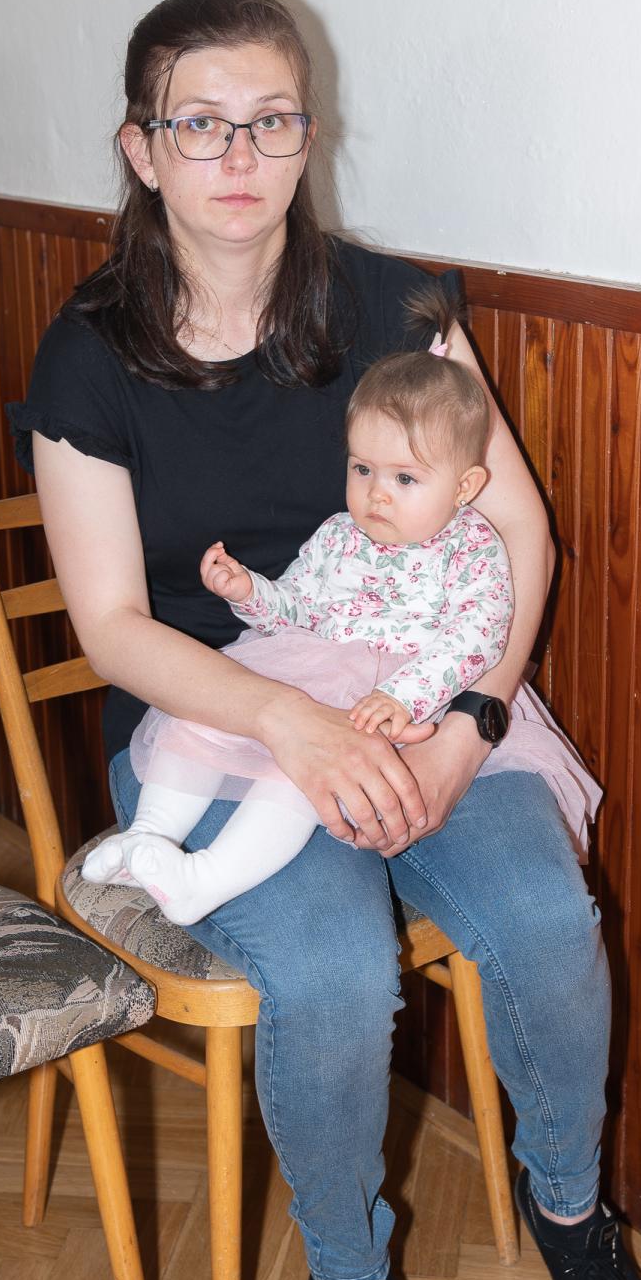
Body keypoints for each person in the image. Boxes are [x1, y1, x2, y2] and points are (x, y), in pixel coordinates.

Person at [8, 0, 641, 1280]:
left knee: (546, 916)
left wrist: (470, 727)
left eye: (272, 120)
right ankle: (352, 1279)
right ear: (141, 149)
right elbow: (112, 626)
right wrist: (287, 723)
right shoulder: (88, 353)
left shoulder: (390, 303)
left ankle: (572, 1213)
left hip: (426, 689)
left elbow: (520, 530)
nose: (240, 154)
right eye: (201, 124)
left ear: (311, 135)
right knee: (332, 970)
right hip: (214, 721)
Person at [80, 281, 514, 924]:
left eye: (405, 478)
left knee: (298, 779)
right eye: (362, 469)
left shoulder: (472, 547)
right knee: (194, 721)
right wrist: (250, 592)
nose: (377, 494)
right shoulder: (340, 535)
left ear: (464, 485)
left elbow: (478, 636)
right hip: (305, 668)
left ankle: (206, 878)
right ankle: (149, 836)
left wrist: (405, 695)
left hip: (390, 695)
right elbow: (300, 607)